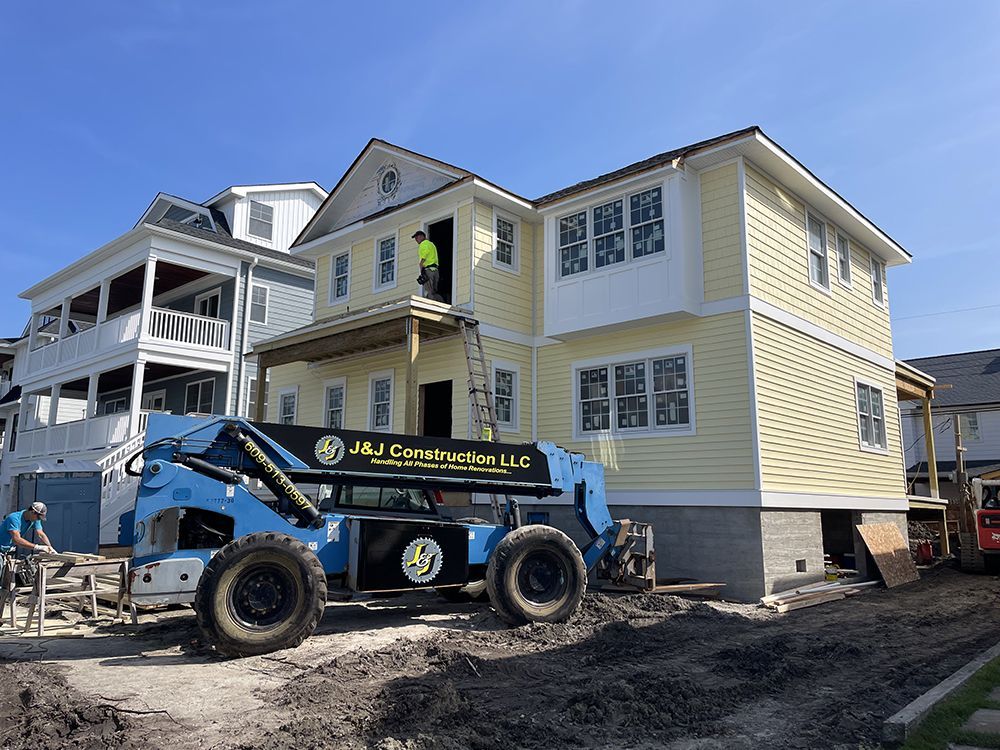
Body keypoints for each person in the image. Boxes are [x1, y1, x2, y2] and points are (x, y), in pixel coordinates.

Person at [412, 230, 444, 302]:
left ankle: (431, 307)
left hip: (428, 270)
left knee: (429, 292)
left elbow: (424, 256)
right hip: (435, 271)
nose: (416, 240)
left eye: (417, 237)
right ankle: (439, 304)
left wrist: (421, 268)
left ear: (422, 237)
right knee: (434, 291)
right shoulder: (431, 244)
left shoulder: (423, 244)